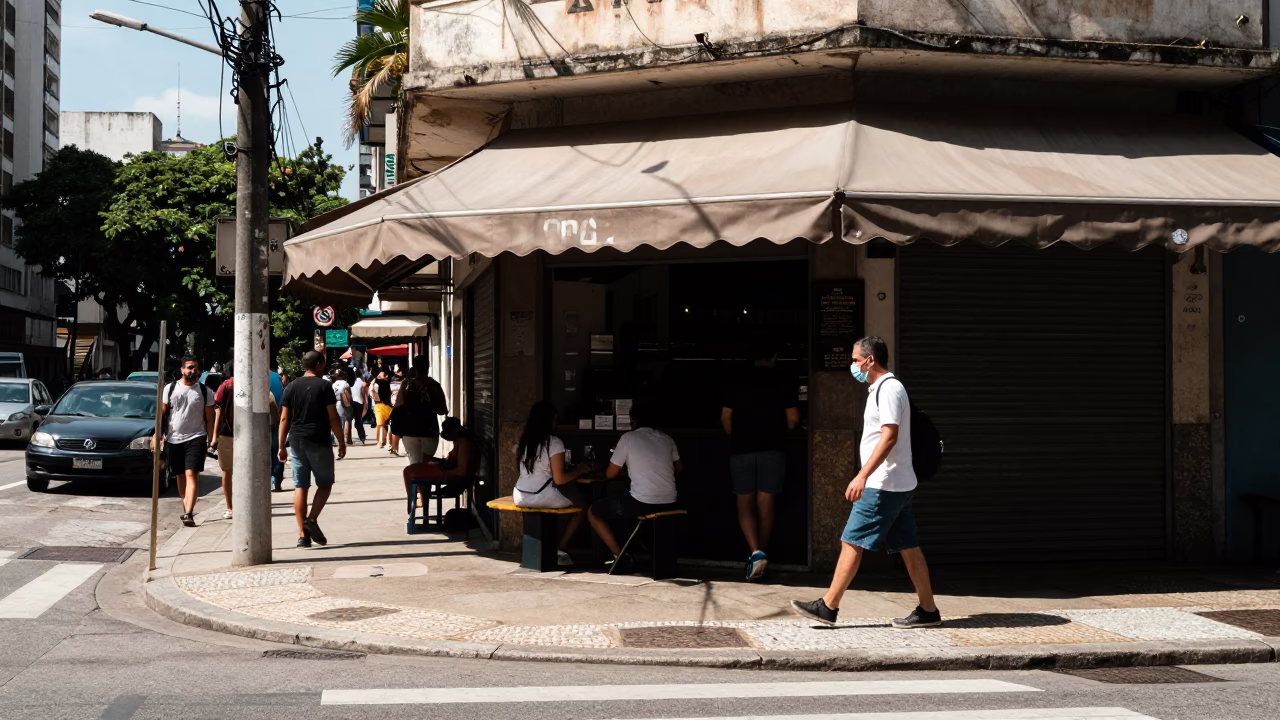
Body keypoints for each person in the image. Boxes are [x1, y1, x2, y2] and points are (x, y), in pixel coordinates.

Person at [791, 336, 941, 629]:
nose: (853, 365)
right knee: (909, 548)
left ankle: (828, 606)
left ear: (870, 360)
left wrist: (862, 475)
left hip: (884, 483)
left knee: (852, 541)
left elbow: (889, 435)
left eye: (855, 359)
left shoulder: (889, 389)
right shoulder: (882, 389)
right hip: (896, 482)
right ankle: (928, 611)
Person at [722, 340, 800, 581]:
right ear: (774, 355)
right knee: (766, 504)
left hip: (741, 449)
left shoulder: (735, 379)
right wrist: (776, 433)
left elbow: (726, 417)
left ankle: (755, 552)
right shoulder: (783, 379)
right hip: (773, 449)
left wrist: (737, 437)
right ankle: (761, 555)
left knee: (744, 502)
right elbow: (793, 418)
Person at [587, 399, 681, 574]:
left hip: (642, 502)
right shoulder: (667, 439)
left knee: (593, 511)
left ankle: (620, 556)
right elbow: (680, 468)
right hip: (670, 501)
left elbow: (610, 474)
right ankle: (637, 548)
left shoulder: (628, 438)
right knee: (630, 507)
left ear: (634, 420)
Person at [512, 401, 596, 565]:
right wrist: (579, 470)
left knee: (567, 497)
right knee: (582, 505)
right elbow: (560, 479)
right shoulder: (555, 443)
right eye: (555, 419)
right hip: (541, 495)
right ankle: (561, 548)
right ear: (550, 421)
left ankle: (548, 547)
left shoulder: (525, 441)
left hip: (520, 494)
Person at [278, 351, 346, 548]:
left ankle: (302, 536)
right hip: (319, 440)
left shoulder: (290, 387)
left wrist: (282, 446)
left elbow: (284, 418)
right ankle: (312, 519)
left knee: (301, 487)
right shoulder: (324, 386)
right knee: (325, 483)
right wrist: (341, 441)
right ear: (317, 365)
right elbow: (333, 417)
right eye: (323, 363)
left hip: (297, 440)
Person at [210, 370, 280, 516]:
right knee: (250, 471)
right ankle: (250, 504)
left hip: (227, 434)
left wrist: (214, 437)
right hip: (251, 435)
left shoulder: (226, 385)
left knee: (227, 472)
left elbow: (218, 410)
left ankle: (230, 508)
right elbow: (273, 406)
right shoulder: (257, 384)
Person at [160, 355, 214, 528]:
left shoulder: (205, 391)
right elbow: (161, 415)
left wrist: (212, 438)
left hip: (196, 437)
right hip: (174, 438)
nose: (192, 370)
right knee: (180, 475)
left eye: (195, 368)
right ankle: (186, 508)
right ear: (182, 369)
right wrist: (157, 435)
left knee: (191, 473)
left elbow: (210, 419)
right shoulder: (170, 389)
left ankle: (189, 512)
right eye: (189, 367)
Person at [403, 417, 478, 508]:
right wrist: (436, 460)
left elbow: (461, 471)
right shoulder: (458, 441)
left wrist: (443, 471)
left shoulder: (464, 444)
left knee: (409, 471)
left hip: (451, 475)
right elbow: (451, 462)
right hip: (445, 470)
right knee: (411, 470)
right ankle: (417, 501)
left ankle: (413, 502)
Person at [392, 356, 449, 465]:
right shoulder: (435, 385)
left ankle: (415, 482)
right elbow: (442, 410)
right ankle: (422, 482)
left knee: (414, 465)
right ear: (428, 367)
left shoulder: (406, 384)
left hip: (409, 431)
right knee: (425, 466)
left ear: (414, 367)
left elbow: (398, 406)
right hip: (429, 431)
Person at [331, 368, 353, 454]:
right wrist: (350, 404)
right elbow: (348, 395)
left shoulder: (333, 384)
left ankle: (335, 438)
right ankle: (344, 438)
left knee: (337, 422)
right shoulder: (345, 384)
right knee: (346, 420)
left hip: (336, 403)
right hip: (344, 403)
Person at [373, 370, 394, 449]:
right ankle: (384, 442)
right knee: (383, 425)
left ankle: (381, 442)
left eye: (380, 375)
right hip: (385, 406)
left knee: (382, 425)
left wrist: (376, 378)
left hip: (382, 405)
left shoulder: (382, 383)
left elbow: (373, 384)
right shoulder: (387, 384)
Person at [349, 370, 368, 445]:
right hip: (359, 402)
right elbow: (364, 392)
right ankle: (362, 437)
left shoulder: (348, 380)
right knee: (358, 421)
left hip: (350, 402)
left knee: (348, 421)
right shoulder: (361, 381)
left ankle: (348, 438)